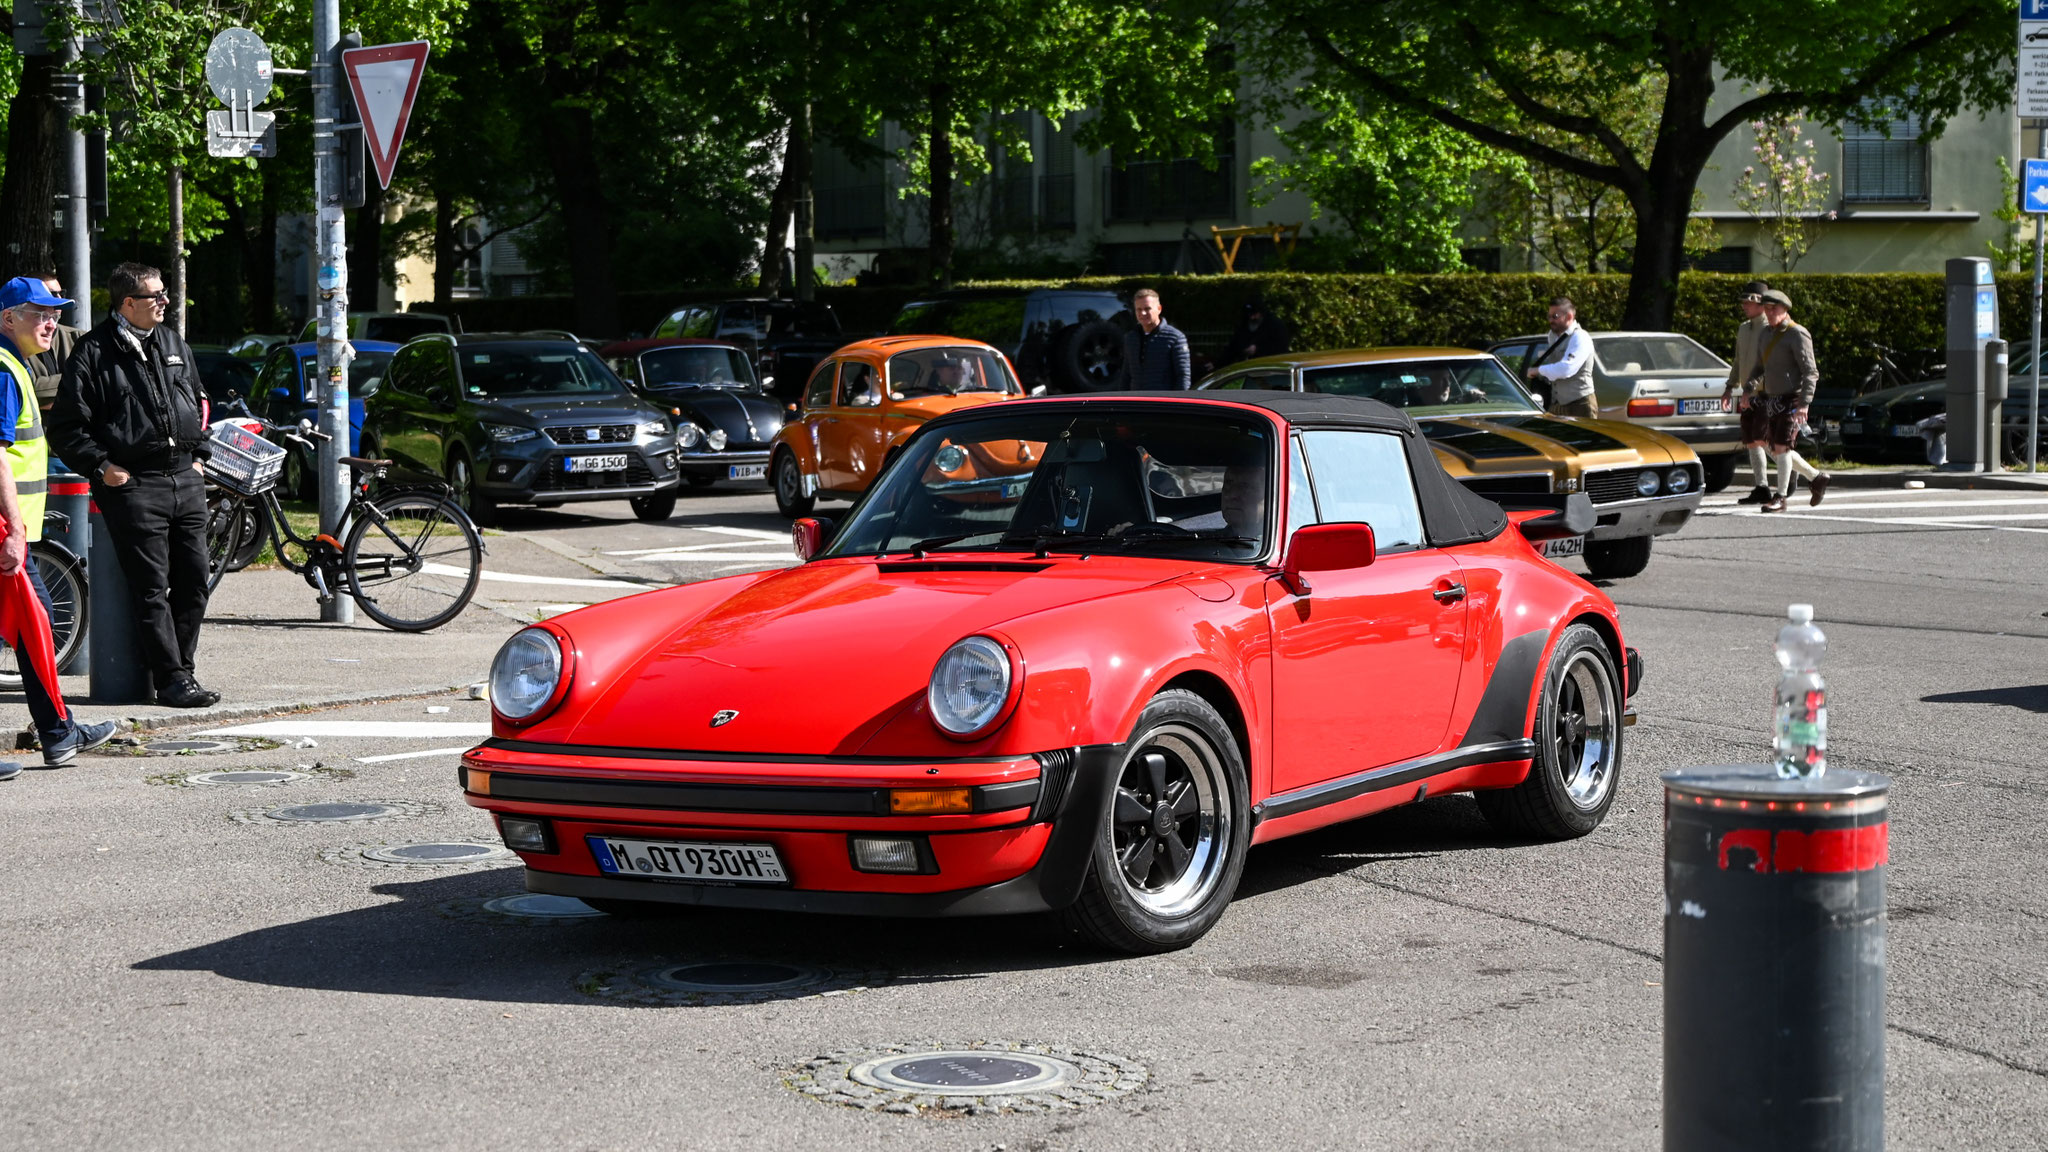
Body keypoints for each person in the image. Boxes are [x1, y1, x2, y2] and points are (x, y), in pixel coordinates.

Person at [49, 262, 221, 708]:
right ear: (128, 303)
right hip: (134, 483)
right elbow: (68, 428)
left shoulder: (171, 341)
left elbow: (197, 399)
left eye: (165, 294)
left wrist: (199, 457)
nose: (165, 302)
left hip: (184, 476)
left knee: (195, 581)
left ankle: (181, 671)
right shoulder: (93, 352)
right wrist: (103, 467)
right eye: (156, 296)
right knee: (150, 586)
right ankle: (172, 680)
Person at [0, 277, 117, 767]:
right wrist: (17, 528)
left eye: (54, 312)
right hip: (9, 535)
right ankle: (58, 732)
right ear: (9, 318)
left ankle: (58, 732)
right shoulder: (5, 370)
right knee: (36, 629)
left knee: (37, 629)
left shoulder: (16, 366)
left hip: (14, 535)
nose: (50, 321)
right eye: (38, 312)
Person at [1750, 289, 1830, 512]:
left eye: (1773, 308)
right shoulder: (1765, 333)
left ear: (1785, 309)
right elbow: (1759, 367)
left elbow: (1810, 372)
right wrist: (1748, 388)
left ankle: (1781, 497)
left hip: (1792, 398)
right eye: (1766, 308)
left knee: (1782, 447)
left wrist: (1804, 404)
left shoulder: (1797, 334)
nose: (1769, 312)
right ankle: (1816, 477)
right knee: (1766, 444)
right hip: (1772, 397)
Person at [1720, 279, 1775, 504]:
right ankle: (1761, 487)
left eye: (1748, 302)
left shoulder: (1770, 328)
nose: (1744, 306)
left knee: (1765, 440)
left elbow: (1769, 363)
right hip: (1748, 393)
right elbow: (1738, 360)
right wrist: (1729, 387)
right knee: (1753, 440)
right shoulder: (1744, 328)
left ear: (1761, 304)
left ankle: (1810, 475)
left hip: (1765, 393)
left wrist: (1752, 388)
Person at [1524, 297, 1597, 418]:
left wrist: (1538, 370)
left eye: (1555, 316)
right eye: (1549, 316)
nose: (1551, 320)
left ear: (1569, 316)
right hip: (1557, 403)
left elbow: (1567, 369)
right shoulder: (1552, 336)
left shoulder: (1580, 337)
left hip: (1580, 403)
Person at [25, 273, 83, 414]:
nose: (58, 299)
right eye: (51, 294)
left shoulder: (80, 337)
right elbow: (28, 394)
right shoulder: (12, 344)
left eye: (60, 293)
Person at [1113, 288, 1191, 390]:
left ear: (1159, 308)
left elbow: (1183, 376)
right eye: (1139, 309)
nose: (1143, 313)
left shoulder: (1175, 338)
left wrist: (1177, 403)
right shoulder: (1131, 338)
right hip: (1136, 402)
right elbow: (1126, 375)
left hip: (1163, 402)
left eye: (1147, 308)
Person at [1224, 299, 1289, 365]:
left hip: (1271, 365)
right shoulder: (1244, 326)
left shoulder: (1275, 325)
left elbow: (1281, 347)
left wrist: (1258, 349)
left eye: (1254, 314)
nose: (1252, 317)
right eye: (1249, 314)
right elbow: (1232, 348)